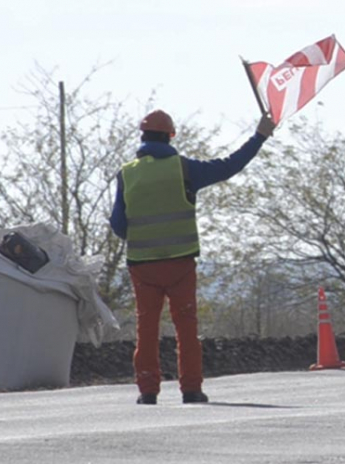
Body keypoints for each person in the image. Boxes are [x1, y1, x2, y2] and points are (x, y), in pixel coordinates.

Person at [110, 109, 275, 404]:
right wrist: (259, 136)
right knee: (186, 327)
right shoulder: (184, 169)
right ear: (170, 137)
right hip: (180, 263)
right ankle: (191, 389)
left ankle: (147, 391)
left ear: (142, 137)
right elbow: (229, 166)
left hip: (142, 266)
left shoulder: (127, 173)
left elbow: (118, 225)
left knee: (146, 328)